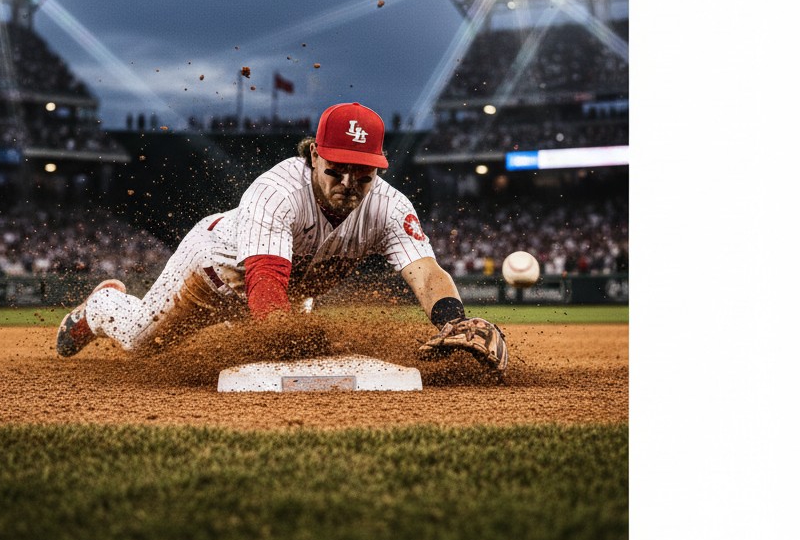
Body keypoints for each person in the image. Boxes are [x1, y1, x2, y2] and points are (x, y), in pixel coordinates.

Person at [56, 101, 507, 371]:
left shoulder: (389, 206)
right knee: (138, 343)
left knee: (293, 352)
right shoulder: (276, 193)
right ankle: (102, 305)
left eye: (362, 175)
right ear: (314, 155)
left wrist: (452, 319)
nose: (348, 184)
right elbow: (267, 284)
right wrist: (287, 333)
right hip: (211, 274)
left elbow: (426, 272)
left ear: (378, 167)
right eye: (336, 170)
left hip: (291, 287)